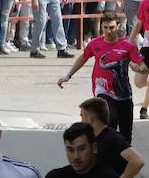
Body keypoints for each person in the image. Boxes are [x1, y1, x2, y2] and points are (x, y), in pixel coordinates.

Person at [58, 10, 143, 141]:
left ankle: (122, 157)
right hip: (102, 89)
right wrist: (68, 75)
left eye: (112, 28)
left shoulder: (128, 46)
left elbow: (140, 64)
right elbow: (83, 57)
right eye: (105, 27)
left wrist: (140, 68)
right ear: (101, 26)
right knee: (111, 120)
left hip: (123, 92)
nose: (108, 31)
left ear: (118, 26)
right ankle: (106, 153)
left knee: (126, 133)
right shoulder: (95, 44)